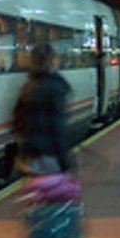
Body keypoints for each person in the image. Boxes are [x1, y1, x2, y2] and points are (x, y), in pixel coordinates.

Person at [12, 42, 74, 173]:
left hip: (31, 156)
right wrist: (65, 162)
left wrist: (23, 153)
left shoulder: (28, 88)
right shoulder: (56, 88)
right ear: (53, 60)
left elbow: (17, 124)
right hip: (50, 155)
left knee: (37, 190)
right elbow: (57, 128)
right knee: (54, 191)